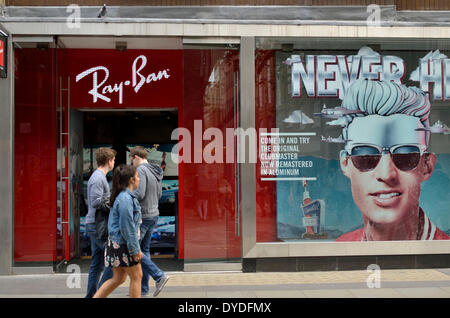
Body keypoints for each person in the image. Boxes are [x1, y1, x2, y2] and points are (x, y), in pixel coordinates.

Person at [334, 79, 449, 241]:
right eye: (366, 156)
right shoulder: (341, 248)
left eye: (405, 156)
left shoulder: (444, 255)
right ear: (345, 164)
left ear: (427, 166)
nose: (386, 173)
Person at [93, 164, 143, 298]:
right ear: (131, 180)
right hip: (124, 245)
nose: (139, 179)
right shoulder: (126, 199)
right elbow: (127, 227)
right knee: (137, 276)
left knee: (118, 278)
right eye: (137, 176)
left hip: (117, 244)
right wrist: (135, 249)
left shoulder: (122, 196)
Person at [129, 146, 170, 297]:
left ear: (136, 157)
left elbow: (140, 193)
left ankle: (159, 275)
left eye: (131, 159)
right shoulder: (156, 171)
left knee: (134, 250)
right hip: (154, 214)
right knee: (144, 250)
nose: (131, 163)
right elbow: (159, 194)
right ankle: (143, 289)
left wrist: (127, 193)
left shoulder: (142, 170)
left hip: (143, 216)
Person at [85, 147, 116, 298]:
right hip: (97, 226)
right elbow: (96, 202)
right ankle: (99, 295)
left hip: (94, 224)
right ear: (109, 161)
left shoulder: (98, 177)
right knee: (112, 261)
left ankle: (91, 296)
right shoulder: (98, 178)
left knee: (96, 264)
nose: (114, 162)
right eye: (114, 160)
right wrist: (112, 204)